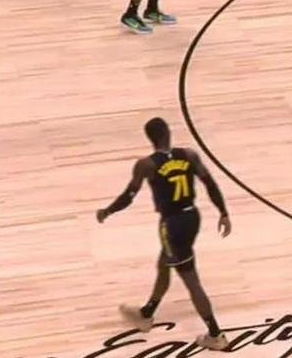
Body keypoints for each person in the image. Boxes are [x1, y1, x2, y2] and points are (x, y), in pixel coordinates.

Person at [95, 116, 230, 350]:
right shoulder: (188, 155)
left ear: (150, 138)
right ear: (168, 132)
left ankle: (215, 334)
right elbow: (210, 183)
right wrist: (223, 212)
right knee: (164, 263)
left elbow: (128, 196)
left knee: (191, 280)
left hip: (172, 224)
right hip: (192, 217)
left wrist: (107, 211)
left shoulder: (146, 165)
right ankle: (147, 314)